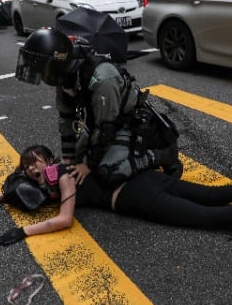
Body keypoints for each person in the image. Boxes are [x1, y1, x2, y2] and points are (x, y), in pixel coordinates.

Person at [0, 145, 232, 251]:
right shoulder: (61, 174)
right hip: (148, 179)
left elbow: (63, 220)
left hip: (138, 196)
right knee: (216, 195)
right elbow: (22, 193)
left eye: (37, 164)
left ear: (48, 161)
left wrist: (24, 234)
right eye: (29, 169)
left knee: (211, 215)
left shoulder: (65, 179)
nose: (34, 172)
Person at [15, 27, 183, 187]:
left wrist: (88, 165)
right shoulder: (65, 77)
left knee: (107, 172)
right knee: (76, 163)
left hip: (125, 122)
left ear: (57, 63)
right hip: (98, 120)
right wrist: (68, 160)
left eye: (42, 70)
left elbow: (107, 128)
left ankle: (163, 155)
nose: (41, 76)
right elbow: (66, 118)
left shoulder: (102, 79)